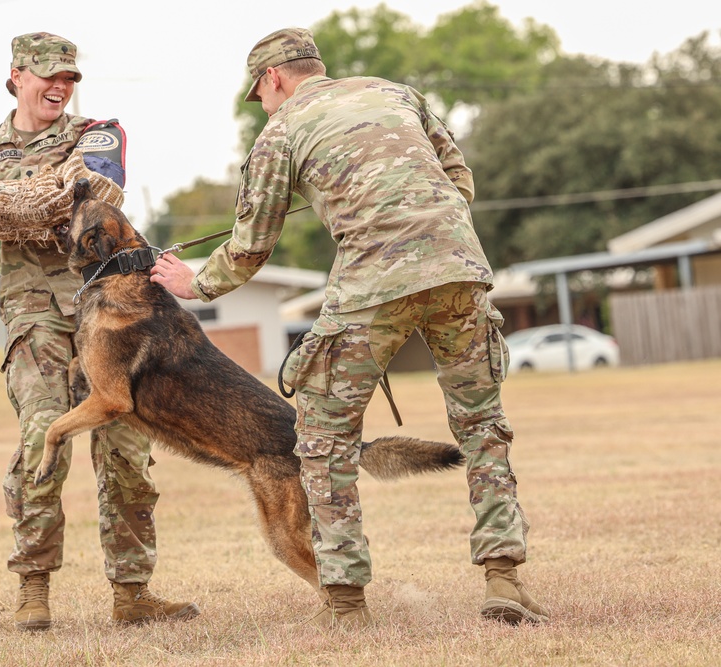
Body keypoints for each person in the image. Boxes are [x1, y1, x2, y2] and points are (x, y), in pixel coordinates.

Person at [150, 27, 549, 629]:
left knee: (324, 440)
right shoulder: (396, 94)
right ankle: (504, 580)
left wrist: (194, 284)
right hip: (459, 266)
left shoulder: (278, 133)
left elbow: (252, 246)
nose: (263, 104)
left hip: (374, 284)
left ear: (272, 78)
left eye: (260, 94)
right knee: (483, 428)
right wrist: (420, 226)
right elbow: (457, 178)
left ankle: (346, 603)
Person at [0, 31, 199, 631]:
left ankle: (133, 593)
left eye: (70, 78)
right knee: (41, 437)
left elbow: (101, 192)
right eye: (50, 75)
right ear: (17, 75)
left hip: (111, 309)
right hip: (37, 311)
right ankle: (33, 589)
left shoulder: (93, 137)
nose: (61, 86)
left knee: (126, 444)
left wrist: (19, 204)